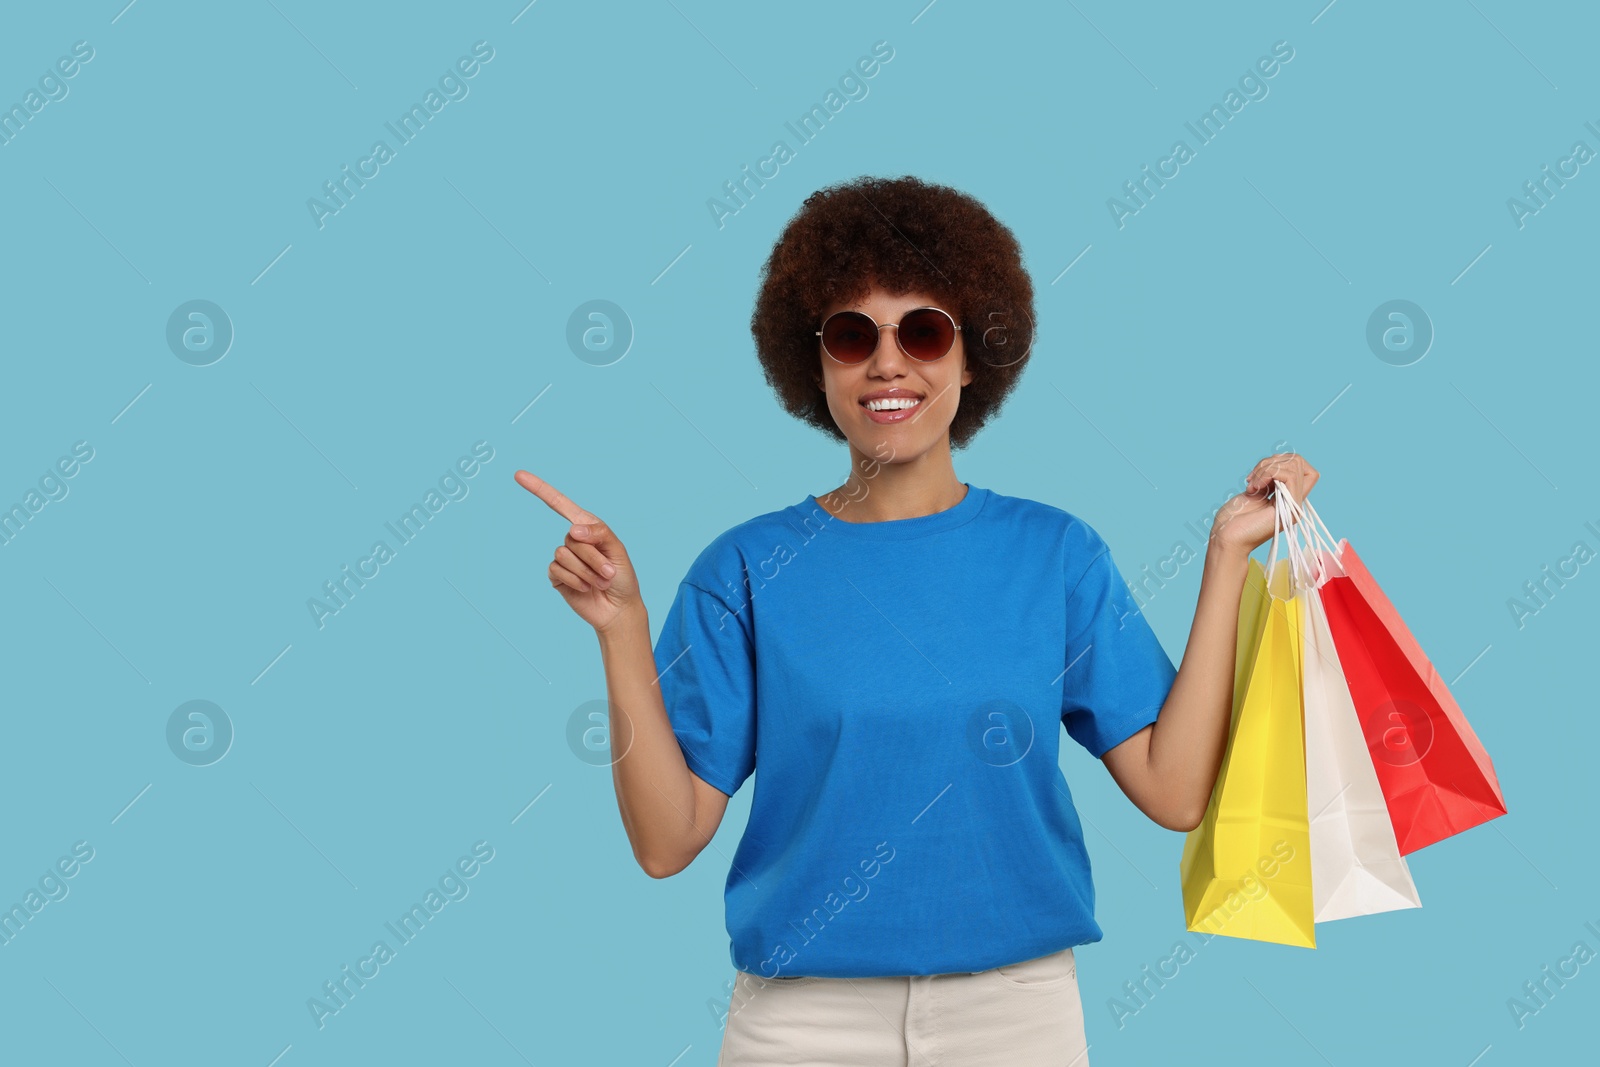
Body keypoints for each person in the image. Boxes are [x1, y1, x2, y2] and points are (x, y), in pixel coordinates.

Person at [516, 174, 1318, 1066]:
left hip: (1017, 1016)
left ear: (972, 358)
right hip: (800, 1024)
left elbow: (1175, 791)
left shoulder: (1054, 554)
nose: (888, 364)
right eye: (853, 336)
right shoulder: (744, 569)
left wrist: (1224, 556)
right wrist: (619, 627)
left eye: (924, 332)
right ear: (814, 362)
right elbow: (666, 843)